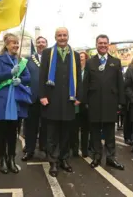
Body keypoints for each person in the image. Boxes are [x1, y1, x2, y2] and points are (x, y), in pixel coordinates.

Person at [39, 27, 81, 177]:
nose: (62, 38)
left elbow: (78, 78)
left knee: (66, 134)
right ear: (55, 37)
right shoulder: (47, 53)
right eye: (59, 35)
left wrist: (79, 96)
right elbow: (42, 75)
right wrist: (42, 95)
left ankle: (64, 159)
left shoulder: (75, 55)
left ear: (68, 36)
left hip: (69, 100)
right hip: (51, 99)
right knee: (52, 134)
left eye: (64, 35)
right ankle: (53, 162)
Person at [83, 35, 125, 170]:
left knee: (109, 133)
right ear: (96, 45)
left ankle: (111, 158)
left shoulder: (116, 62)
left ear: (108, 45)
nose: (102, 45)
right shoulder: (90, 63)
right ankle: (96, 156)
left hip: (110, 102)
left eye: (105, 43)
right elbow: (85, 84)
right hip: (94, 102)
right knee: (95, 131)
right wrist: (85, 101)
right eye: (100, 43)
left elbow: (120, 84)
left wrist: (120, 102)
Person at [0, 33, 31, 174]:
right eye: (13, 43)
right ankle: (2, 160)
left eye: (17, 43)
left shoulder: (20, 61)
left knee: (13, 132)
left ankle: (11, 159)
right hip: (3, 98)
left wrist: (21, 80)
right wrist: (10, 73)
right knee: (2, 131)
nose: (16, 46)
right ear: (7, 44)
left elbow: (28, 77)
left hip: (16, 99)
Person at [22, 36, 48, 161]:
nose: (41, 44)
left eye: (43, 42)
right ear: (36, 45)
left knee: (47, 126)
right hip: (32, 98)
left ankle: (45, 148)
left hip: (47, 99)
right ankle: (29, 150)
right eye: (39, 42)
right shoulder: (28, 60)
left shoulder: (51, 59)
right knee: (30, 127)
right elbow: (24, 76)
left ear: (46, 44)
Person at [70, 51, 91, 158]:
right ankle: (74, 149)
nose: (80, 59)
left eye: (82, 57)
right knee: (74, 128)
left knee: (85, 129)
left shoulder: (89, 71)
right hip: (75, 103)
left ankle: (84, 149)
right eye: (79, 57)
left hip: (86, 104)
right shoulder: (73, 70)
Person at [124, 57, 133, 145]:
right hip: (130, 102)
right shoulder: (128, 73)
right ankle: (128, 137)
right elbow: (126, 87)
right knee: (128, 121)